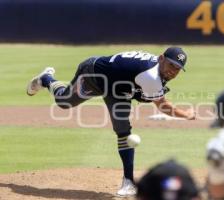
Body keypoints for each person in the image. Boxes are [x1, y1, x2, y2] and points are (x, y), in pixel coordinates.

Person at [26, 47, 196, 197]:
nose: (173, 71)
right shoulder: (151, 76)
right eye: (172, 65)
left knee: (123, 129)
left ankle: (128, 182)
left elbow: (139, 88)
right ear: (161, 58)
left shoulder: (157, 70)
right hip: (93, 75)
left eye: (178, 68)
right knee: (63, 101)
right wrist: (186, 114)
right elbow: (163, 106)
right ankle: (46, 79)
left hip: (118, 88)